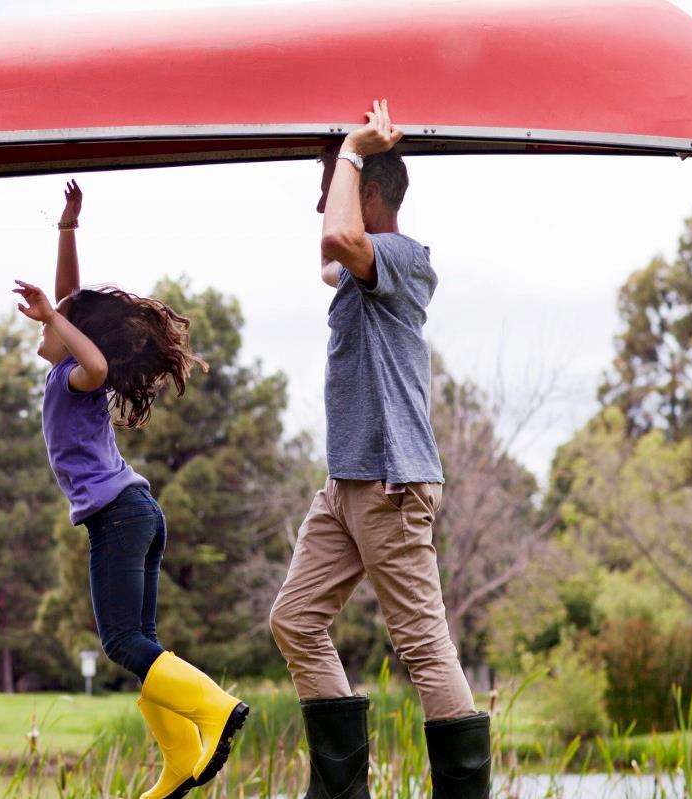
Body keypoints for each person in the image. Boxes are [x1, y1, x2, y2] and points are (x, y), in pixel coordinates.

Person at [268, 100, 493, 799]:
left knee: (423, 645)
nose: (322, 209)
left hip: (391, 484)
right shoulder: (357, 277)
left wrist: (351, 149)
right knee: (293, 619)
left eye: (337, 187)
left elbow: (338, 235)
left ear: (369, 192)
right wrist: (337, 158)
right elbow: (327, 247)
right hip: (346, 483)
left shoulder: (401, 258)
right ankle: (341, 791)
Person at [14, 179, 248, 799]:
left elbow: (93, 360)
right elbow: (75, 302)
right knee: (140, 644)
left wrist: (55, 315)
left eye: (56, 325)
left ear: (68, 334)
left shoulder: (77, 378)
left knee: (121, 643)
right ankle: (179, 762)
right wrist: (67, 230)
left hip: (121, 517)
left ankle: (217, 709)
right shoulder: (67, 368)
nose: (43, 329)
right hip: (134, 512)